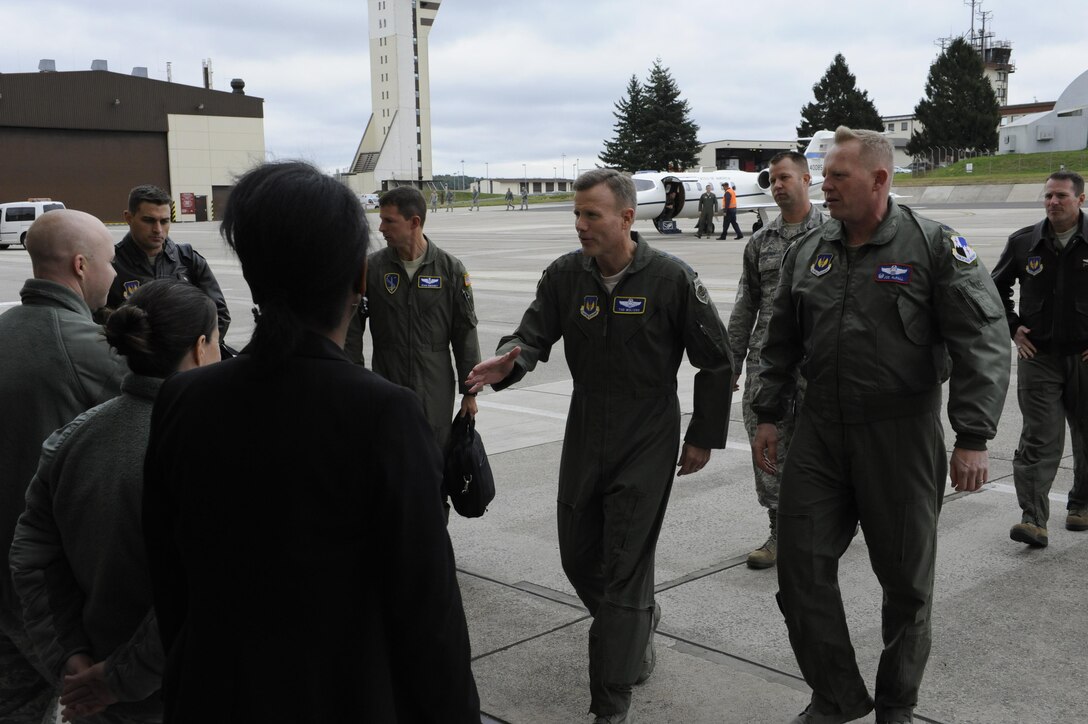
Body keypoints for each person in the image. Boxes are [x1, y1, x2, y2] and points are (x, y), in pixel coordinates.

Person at [141, 161, 479, 723]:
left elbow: (170, 580)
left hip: (214, 695)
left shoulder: (183, 400)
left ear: (252, 273)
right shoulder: (386, 416)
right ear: (356, 279)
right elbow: (428, 616)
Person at [751, 127, 1009, 724]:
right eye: (825, 174)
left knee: (907, 585)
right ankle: (836, 696)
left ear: (880, 179)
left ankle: (897, 703)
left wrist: (972, 436)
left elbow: (984, 342)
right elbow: (782, 340)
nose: (827, 186)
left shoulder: (933, 246)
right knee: (800, 570)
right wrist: (769, 414)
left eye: (840, 175)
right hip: (819, 430)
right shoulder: (808, 248)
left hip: (900, 433)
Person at [466, 169, 733, 724]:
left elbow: (717, 358)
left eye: (592, 215)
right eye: (577, 214)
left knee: (625, 565)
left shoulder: (671, 278)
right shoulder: (565, 276)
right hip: (586, 425)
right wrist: (507, 360)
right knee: (577, 553)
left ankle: (611, 702)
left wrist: (704, 434)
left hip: (648, 430)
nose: (581, 225)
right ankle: (634, 624)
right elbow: (531, 335)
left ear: (627, 218)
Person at [9, 280, 220, 724]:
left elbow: (32, 559)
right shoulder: (209, 448)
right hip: (175, 694)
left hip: (92, 692)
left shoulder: (73, 439)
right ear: (201, 348)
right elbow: (199, 587)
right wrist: (119, 678)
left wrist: (70, 658)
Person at [0, 209, 125, 723]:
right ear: (80, 265)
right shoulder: (91, 351)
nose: (115, 275)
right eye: (110, 262)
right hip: (57, 593)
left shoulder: (5, 328)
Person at [727, 150, 827, 570]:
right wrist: (729, 363)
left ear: (807, 179)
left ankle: (828, 522)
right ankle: (779, 531)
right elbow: (744, 307)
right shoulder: (760, 243)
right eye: (772, 180)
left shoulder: (833, 234)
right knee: (767, 447)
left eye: (785, 177)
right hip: (768, 367)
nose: (778, 185)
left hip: (819, 364)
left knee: (823, 449)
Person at [991, 170, 1088, 547]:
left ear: (1079, 199)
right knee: (1040, 438)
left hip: (1083, 356)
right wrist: (1013, 327)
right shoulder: (1024, 243)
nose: (1053, 202)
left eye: (1061, 196)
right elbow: (993, 288)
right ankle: (1033, 519)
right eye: (1048, 196)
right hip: (1039, 357)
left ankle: (1081, 505)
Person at [366, 185, 481, 454]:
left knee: (433, 460)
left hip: (434, 388)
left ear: (414, 222)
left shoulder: (450, 269)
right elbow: (350, 328)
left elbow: (465, 332)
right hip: (386, 384)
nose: (381, 228)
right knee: (389, 459)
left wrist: (470, 392)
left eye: (389, 221)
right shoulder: (372, 268)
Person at [107, 184, 233, 357]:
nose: (158, 229)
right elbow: (97, 321)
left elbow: (219, 315)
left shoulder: (189, 260)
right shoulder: (111, 265)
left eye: (164, 221)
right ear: (129, 218)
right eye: (149, 220)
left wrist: (192, 355)